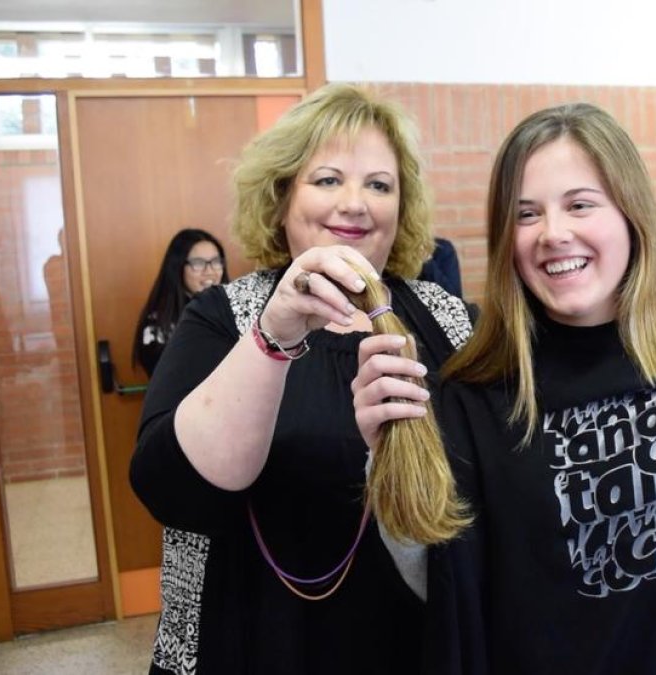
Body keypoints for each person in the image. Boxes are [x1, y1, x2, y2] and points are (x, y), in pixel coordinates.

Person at [355, 103, 656, 673]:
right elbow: (441, 590)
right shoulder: (472, 400)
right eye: (526, 214)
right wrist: (391, 459)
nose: (553, 234)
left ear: (631, 215)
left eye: (580, 204)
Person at [129, 84, 474, 674]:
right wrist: (274, 336)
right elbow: (171, 492)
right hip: (259, 641)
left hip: (411, 642)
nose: (355, 203)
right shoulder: (221, 318)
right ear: (282, 196)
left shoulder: (450, 321)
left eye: (379, 185)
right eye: (328, 179)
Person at [131, 228, 230, 375]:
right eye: (198, 263)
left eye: (216, 262)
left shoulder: (235, 310)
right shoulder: (157, 324)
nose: (210, 271)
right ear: (177, 267)